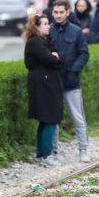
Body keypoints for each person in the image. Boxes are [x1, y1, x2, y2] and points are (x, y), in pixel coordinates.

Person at [49, 0, 91, 163]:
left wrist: (74, 71)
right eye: (55, 12)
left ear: (67, 12)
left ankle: (83, 150)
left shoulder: (76, 31)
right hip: (53, 83)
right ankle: (53, 152)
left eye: (61, 12)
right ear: (52, 13)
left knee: (78, 118)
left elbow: (84, 53)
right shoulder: (48, 31)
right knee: (54, 120)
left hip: (71, 82)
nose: (58, 15)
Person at [23, 14, 64, 166]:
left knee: (47, 119)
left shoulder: (45, 40)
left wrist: (56, 57)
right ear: (36, 27)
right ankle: (46, 155)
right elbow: (51, 59)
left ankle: (41, 154)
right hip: (43, 85)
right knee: (49, 118)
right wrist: (55, 57)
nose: (48, 26)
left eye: (48, 23)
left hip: (48, 83)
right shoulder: (34, 42)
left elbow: (61, 55)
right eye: (45, 24)